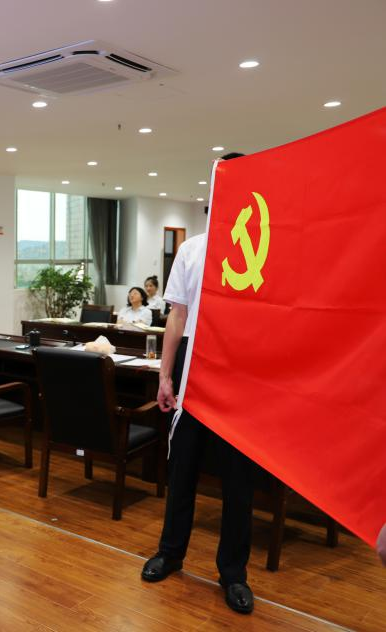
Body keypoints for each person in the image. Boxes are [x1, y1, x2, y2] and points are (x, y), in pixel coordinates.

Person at [140, 153, 255, 615]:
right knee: (182, 469)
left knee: (238, 482)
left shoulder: (263, 249)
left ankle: (234, 573)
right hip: (194, 365)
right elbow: (177, 316)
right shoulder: (192, 249)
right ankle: (170, 553)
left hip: (242, 371)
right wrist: (166, 375)